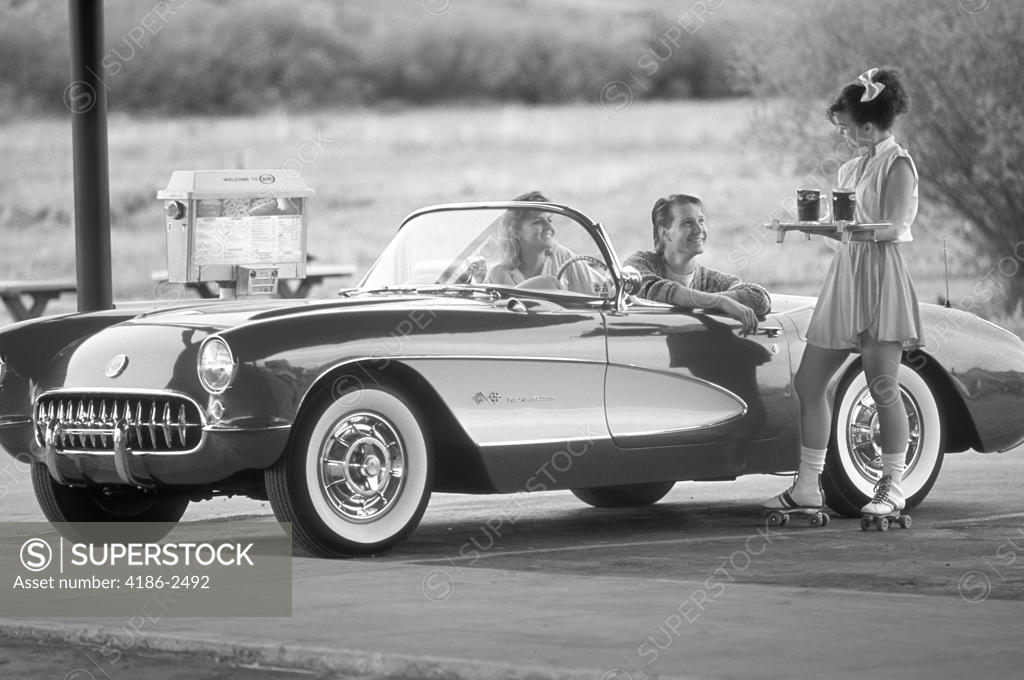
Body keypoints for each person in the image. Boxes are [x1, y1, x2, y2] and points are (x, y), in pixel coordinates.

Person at [762, 67, 924, 520]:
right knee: (809, 383)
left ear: (868, 125)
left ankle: (892, 485)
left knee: (883, 387)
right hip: (847, 275)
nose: (844, 135)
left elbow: (894, 226)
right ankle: (808, 485)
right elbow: (847, 230)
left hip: (881, 276)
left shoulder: (899, 165)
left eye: (846, 127)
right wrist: (808, 226)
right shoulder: (853, 167)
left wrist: (850, 230)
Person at [624, 194, 769, 334]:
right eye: (687, 223)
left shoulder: (711, 279)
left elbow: (759, 298)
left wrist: (706, 301)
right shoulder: (639, 264)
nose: (699, 230)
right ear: (664, 233)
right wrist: (720, 302)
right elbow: (655, 291)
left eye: (701, 220)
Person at [484, 191, 602, 294]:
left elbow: (603, 291)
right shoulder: (498, 275)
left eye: (549, 219)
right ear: (515, 231)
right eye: (538, 221)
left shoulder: (565, 259)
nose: (549, 226)